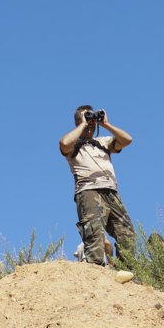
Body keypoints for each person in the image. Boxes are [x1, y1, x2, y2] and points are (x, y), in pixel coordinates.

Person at [59, 105, 135, 265]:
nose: (90, 123)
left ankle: (124, 271)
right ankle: (95, 271)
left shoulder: (103, 142)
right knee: (95, 235)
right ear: (78, 122)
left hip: (111, 191)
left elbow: (127, 139)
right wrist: (83, 124)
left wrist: (105, 124)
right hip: (89, 192)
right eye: (87, 118)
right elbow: (64, 143)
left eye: (92, 120)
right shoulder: (74, 144)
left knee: (127, 233)